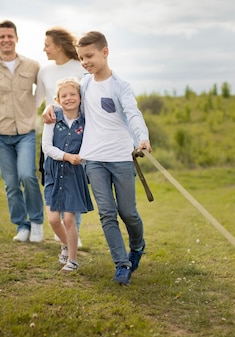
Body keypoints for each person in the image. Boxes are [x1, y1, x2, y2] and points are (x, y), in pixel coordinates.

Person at [44, 31, 152, 285]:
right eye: (81, 58)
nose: (85, 62)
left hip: (122, 158)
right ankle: (121, 264)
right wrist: (50, 107)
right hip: (93, 160)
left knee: (128, 212)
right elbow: (66, 100)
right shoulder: (85, 84)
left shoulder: (120, 86)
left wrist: (142, 138)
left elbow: (133, 114)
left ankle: (137, 246)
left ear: (105, 52)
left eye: (89, 56)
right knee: (107, 213)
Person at [0, 20, 44, 243]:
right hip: (0, 135)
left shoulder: (33, 66)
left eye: (9, 36)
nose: (6, 40)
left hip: (26, 132)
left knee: (27, 176)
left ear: (16, 39)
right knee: (11, 183)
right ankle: (22, 226)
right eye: (2, 37)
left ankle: (37, 222)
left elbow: (46, 90)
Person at [36, 27, 86, 248]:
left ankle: (73, 231)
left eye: (47, 44)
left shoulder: (80, 67)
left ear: (58, 46)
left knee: (75, 182)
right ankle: (64, 233)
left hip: (76, 133)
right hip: (52, 132)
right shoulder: (44, 71)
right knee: (52, 180)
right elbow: (38, 100)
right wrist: (46, 109)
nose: (44, 48)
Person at [42, 77, 94, 272]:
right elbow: (46, 147)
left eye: (73, 94)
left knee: (69, 219)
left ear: (80, 98)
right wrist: (66, 156)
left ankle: (72, 260)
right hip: (54, 172)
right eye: (64, 95)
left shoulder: (86, 120)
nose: (69, 98)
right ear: (58, 99)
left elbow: (91, 144)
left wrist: (80, 158)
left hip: (74, 173)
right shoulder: (53, 118)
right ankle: (65, 244)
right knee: (54, 220)